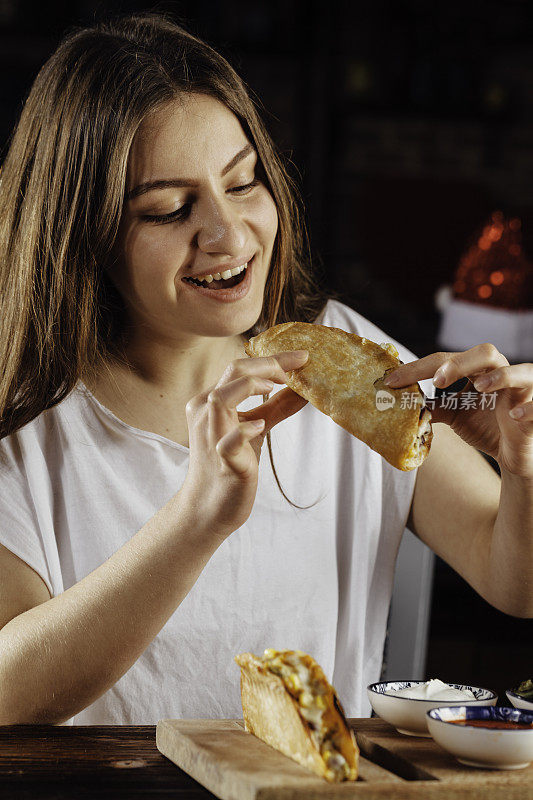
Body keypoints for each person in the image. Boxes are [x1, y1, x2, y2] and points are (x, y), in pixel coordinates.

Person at [0, 13, 531, 727]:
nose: (228, 233)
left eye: (244, 183)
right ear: (81, 232)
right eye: (169, 208)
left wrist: (523, 467)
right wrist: (197, 520)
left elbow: (514, 582)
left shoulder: (341, 360)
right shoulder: (26, 428)